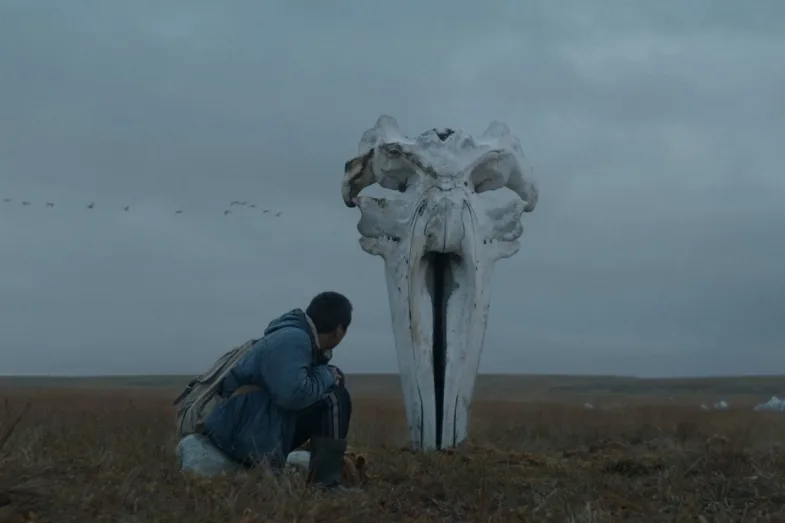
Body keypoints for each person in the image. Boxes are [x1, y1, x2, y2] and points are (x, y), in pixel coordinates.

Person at [202, 291, 353, 489]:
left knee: (330, 391)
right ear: (339, 330)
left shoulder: (295, 337)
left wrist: (327, 372)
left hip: (247, 423)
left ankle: (323, 478)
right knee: (334, 399)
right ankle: (326, 485)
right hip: (241, 432)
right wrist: (328, 375)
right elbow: (292, 395)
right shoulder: (294, 339)